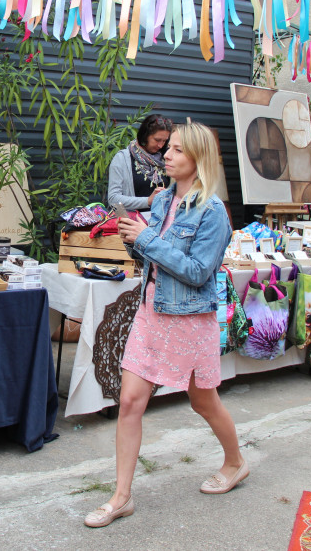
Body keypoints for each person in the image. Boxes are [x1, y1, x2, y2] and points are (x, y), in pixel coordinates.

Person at [84, 120, 238, 529]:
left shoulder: (213, 212)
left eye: (177, 150)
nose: (166, 155)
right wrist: (136, 240)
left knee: (203, 400)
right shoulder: (160, 202)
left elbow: (198, 271)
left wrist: (147, 239)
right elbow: (154, 263)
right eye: (167, 148)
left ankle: (235, 462)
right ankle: (121, 496)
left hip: (189, 318)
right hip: (152, 312)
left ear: (198, 159)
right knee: (131, 401)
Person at [107, 114, 174, 212]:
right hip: (133, 221)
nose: (160, 145)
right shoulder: (122, 158)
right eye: (157, 140)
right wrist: (148, 201)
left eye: (164, 141)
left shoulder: (166, 157)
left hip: (161, 221)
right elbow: (113, 199)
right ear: (145, 135)